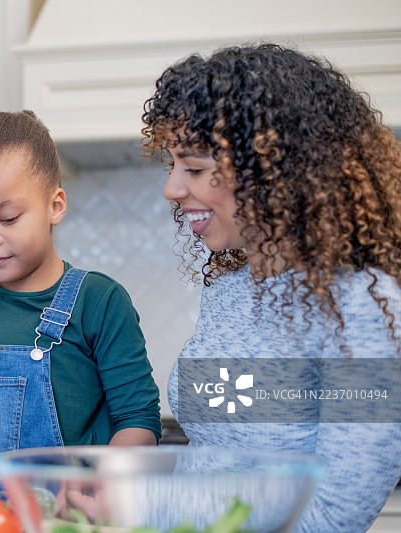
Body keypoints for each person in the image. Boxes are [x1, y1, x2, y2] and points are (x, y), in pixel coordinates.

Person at [142, 43, 401, 532]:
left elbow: (336, 514)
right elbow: (215, 467)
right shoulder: (229, 289)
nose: (171, 189)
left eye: (194, 168)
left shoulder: (363, 306)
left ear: (272, 169)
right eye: (172, 165)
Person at [0, 110, 162, 502]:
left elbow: (137, 419)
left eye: (7, 218)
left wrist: (98, 489)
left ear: (55, 206)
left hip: (63, 518)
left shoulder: (98, 301)